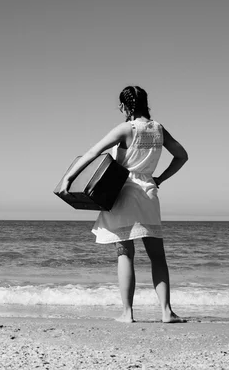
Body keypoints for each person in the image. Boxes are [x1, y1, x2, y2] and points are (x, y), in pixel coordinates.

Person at [59, 86, 188, 323]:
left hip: (123, 193)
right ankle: (166, 311)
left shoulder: (126, 129)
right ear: (146, 103)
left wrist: (68, 178)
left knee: (125, 254)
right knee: (157, 257)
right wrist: (159, 178)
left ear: (123, 106)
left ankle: (127, 313)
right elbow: (182, 156)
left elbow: (92, 152)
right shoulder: (158, 129)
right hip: (149, 194)